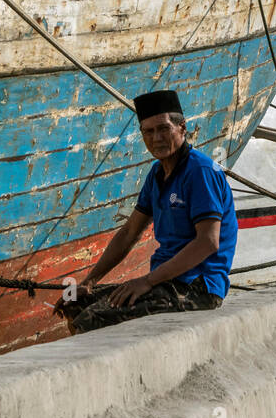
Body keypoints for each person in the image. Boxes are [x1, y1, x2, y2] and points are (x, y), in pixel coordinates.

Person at [55, 89, 238, 334]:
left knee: (93, 319)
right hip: (165, 282)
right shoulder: (157, 174)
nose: (157, 138)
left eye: (163, 129)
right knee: (75, 303)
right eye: (148, 132)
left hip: (197, 286)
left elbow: (208, 242)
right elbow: (130, 231)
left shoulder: (200, 171)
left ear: (182, 128)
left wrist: (147, 281)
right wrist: (89, 281)